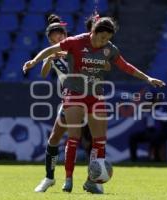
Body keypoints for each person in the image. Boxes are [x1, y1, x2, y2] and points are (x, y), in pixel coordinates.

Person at [23, 14, 165, 194]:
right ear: (93, 32)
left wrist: (147, 78)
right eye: (102, 37)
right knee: (62, 138)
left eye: (108, 38)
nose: (104, 41)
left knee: (99, 140)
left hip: (95, 96)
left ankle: (93, 181)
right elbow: (48, 56)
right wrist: (35, 61)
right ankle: (59, 179)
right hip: (73, 96)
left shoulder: (107, 48)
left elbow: (125, 65)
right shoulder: (74, 43)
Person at [33, 14, 102, 193]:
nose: (59, 37)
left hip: (88, 97)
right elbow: (43, 74)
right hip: (70, 100)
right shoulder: (54, 55)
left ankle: (93, 180)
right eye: (55, 36)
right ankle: (49, 177)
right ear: (50, 39)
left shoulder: (74, 47)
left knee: (94, 140)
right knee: (54, 138)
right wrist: (48, 59)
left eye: (61, 34)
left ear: (65, 34)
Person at [129, 97, 167, 162]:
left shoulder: (162, 109)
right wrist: (145, 109)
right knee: (133, 137)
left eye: (155, 101)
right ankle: (134, 159)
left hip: (159, 132)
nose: (153, 103)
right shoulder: (147, 110)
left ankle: (157, 158)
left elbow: (165, 118)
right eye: (152, 101)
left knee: (155, 137)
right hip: (148, 131)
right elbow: (140, 115)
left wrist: (152, 109)